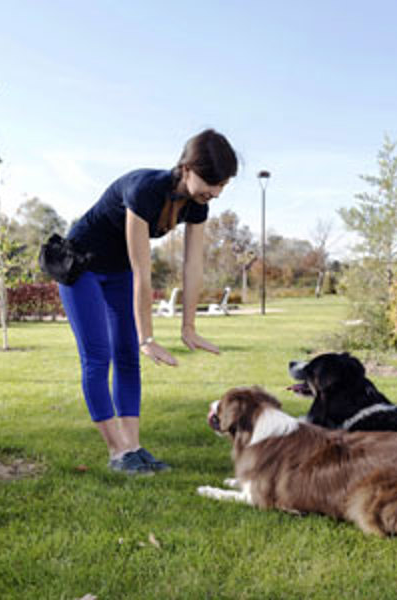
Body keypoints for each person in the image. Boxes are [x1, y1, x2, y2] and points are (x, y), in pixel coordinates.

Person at [59, 129, 238, 474]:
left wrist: (189, 327)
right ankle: (117, 452)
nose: (214, 192)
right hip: (81, 267)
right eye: (210, 182)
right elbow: (144, 271)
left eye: (222, 186)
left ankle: (133, 448)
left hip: (117, 271)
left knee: (128, 359)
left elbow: (193, 265)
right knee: (98, 357)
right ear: (186, 168)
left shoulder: (196, 205)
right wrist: (148, 338)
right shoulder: (145, 190)